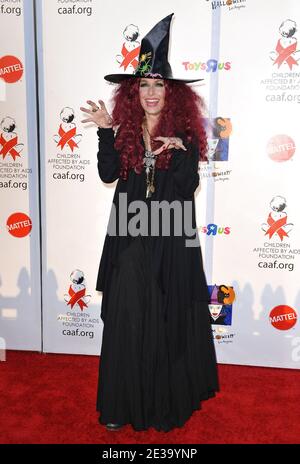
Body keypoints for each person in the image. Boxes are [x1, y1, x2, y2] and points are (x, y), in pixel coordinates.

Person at [80, 13, 219, 433]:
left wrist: (179, 152)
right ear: (133, 91)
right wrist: (105, 132)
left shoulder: (185, 135)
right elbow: (108, 175)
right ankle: (121, 405)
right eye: (145, 84)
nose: (152, 92)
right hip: (129, 239)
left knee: (164, 319)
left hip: (172, 241)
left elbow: (186, 185)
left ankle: (161, 404)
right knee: (126, 318)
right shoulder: (123, 130)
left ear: (171, 93)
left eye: (159, 84)